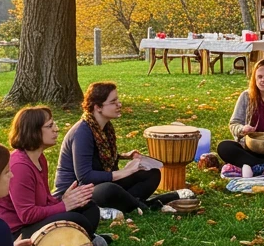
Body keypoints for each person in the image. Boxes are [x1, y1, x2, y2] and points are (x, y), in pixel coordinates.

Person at [0, 106, 110, 246]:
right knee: (75, 219)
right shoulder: (19, 166)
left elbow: (43, 201)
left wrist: (62, 200)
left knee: (89, 208)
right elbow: (27, 215)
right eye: (49, 126)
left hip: (32, 223)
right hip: (17, 233)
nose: (56, 129)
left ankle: (81, 239)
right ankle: (81, 241)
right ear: (33, 131)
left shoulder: (39, 158)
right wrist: (64, 205)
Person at [54, 82, 187, 215]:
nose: (119, 104)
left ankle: (131, 205)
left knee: (152, 173)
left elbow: (99, 156)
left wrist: (124, 156)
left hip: (97, 186)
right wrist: (125, 172)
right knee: (109, 189)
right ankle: (148, 206)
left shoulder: (105, 127)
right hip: (77, 194)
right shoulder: (82, 132)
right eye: (113, 102)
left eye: (117, 100)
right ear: (98, 107)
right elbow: (85, 177)